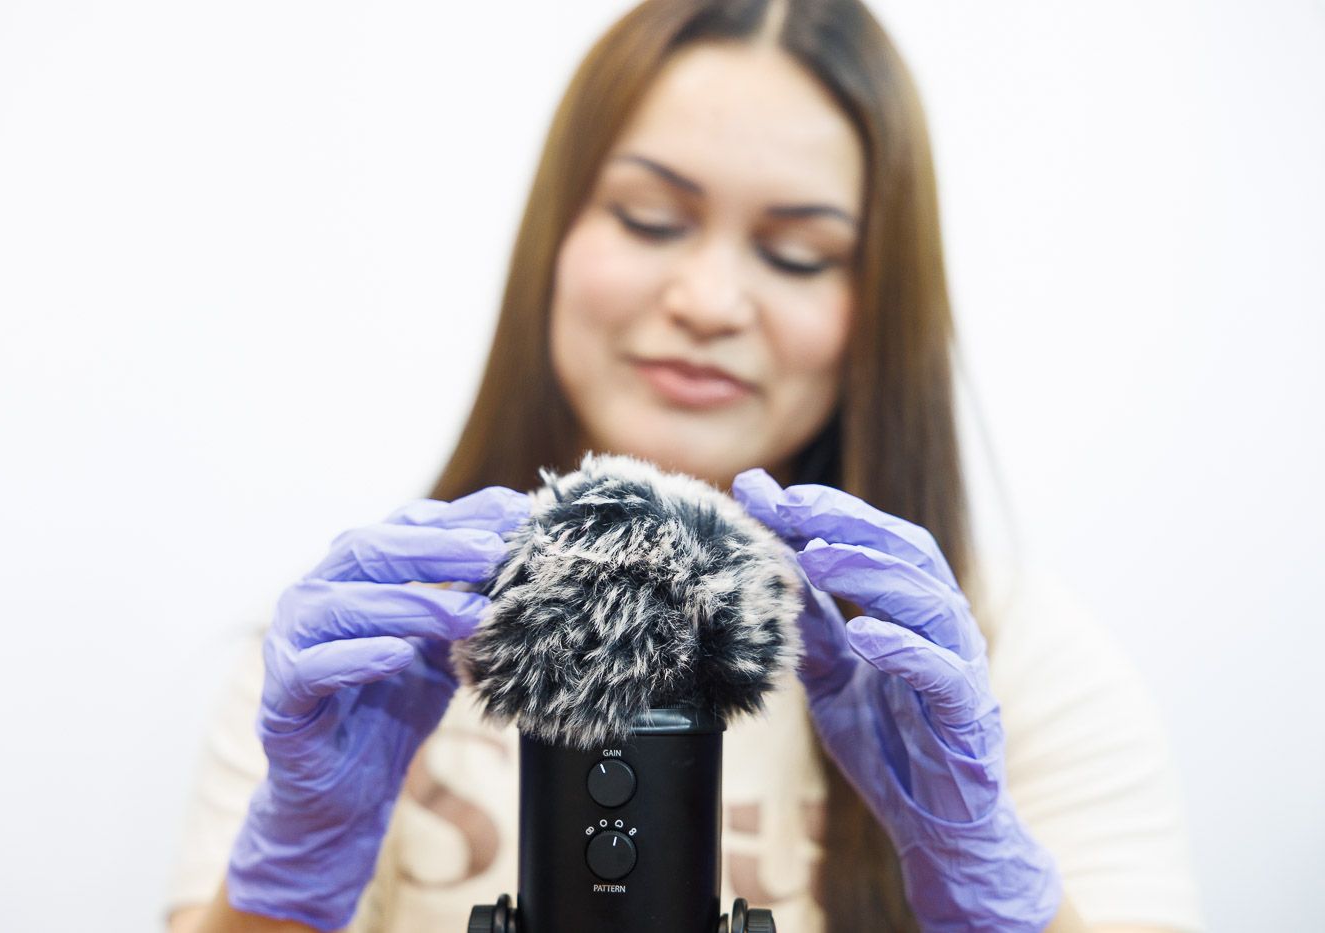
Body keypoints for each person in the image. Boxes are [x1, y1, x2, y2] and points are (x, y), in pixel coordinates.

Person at [165, 1, 1203, 931]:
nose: (708, 300)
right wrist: (288, 886)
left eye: (797, 253)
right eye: (650, 219)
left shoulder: (1019, 672)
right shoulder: (352, 664)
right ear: (556, 237)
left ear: (878, 301)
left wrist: (997, 898)